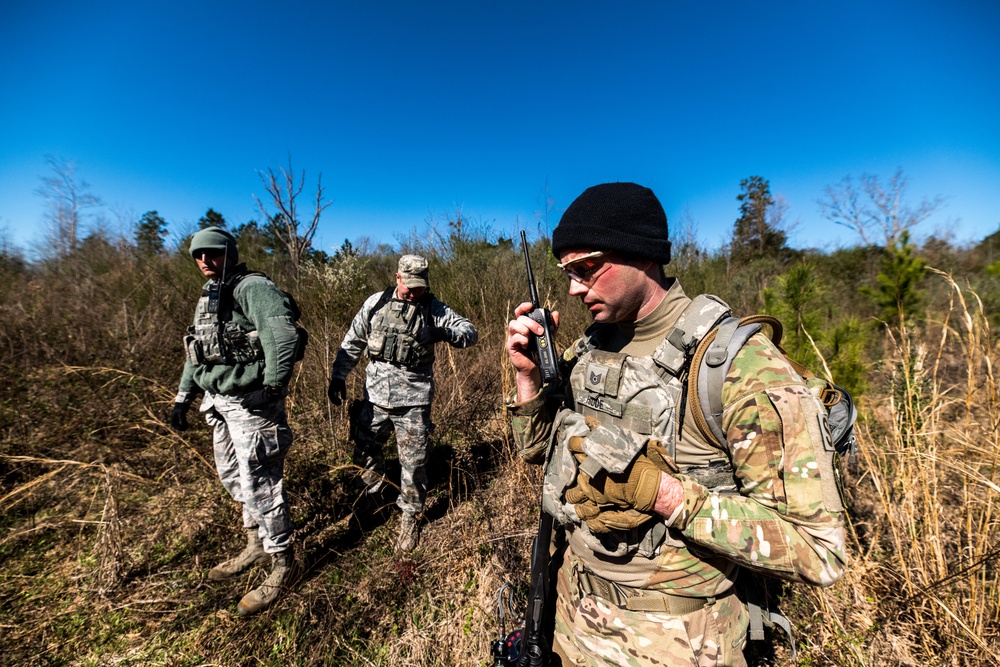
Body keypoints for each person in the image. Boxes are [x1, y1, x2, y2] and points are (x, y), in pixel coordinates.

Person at [505, 183, 847, 666]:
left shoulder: (738, 366)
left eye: (586, 269)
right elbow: (540, 453)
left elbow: (818, 550)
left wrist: (664, 494)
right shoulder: (590, 349)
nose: (574, 289)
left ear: (642, 254)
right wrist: (528, 378)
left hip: (678, 642)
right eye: (566, 273)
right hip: (570, 622)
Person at [168, 226, 301, 616]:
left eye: (212, 253)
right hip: (219, 401)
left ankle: (283, 564)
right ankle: (255, 544)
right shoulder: (209, 295)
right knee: (234, 478)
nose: (205, 261)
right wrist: (183, 395)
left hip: (253, 405)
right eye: (198, 255)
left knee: (261, 483)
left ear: (228, 252)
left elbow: (283, 336)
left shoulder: (251, 288)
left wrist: (274, 388)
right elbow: (199, 349)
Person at [328, 254, 478, 553]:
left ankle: (409, 517)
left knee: (414, 464)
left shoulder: (433, 308)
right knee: (365, 452)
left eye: (419, 287)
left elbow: (470, 332)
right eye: (408, 285)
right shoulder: (376, 303)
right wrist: (338, 377)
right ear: (397, 278)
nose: (412, 292)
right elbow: (353, 342)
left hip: (413, 402)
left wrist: (442, 332)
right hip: (375, 399)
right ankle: (373, 497)